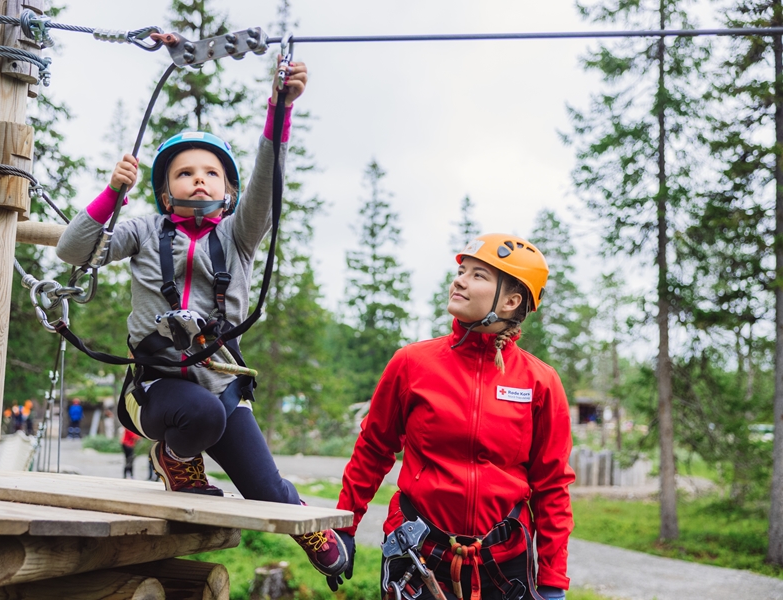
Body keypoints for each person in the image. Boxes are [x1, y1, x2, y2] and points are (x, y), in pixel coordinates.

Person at [55, 57, 348, 579]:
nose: (198, 180)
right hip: (157, 388)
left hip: (220, 384)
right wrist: (112, 193)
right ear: (166, 193)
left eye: (210, 173)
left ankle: (304, 524)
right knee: (201, 416)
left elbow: (267, 180)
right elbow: (73, 250)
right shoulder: (143, 230)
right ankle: (174, 457)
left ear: (228, 192)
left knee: (266, 486)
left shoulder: (238, 235)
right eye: (184, 173)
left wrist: (278, 110)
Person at [327, 233, 575, 600]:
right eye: (461, 270)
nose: (459, 280)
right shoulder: (412, 364)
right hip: (417, 555)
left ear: (511, 300)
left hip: (504, 568)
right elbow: (374, 449)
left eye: (478, 275)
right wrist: (344, 527)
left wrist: (553, 580)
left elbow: (551, 486)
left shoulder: (540, 381)